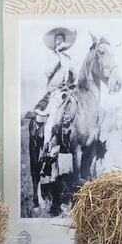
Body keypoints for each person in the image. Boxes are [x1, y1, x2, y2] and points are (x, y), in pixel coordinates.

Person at [35, 27, 77, 156]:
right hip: (55, 93)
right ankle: (47, 148)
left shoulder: (69, 58)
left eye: (62, 39)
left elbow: (74, 77)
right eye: (58, 39)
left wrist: (73, 74)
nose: (60, 41)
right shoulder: (52, 57)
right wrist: (57, 60)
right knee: (53, 118)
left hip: (68, 92)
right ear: (54, 42)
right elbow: (47, 73)